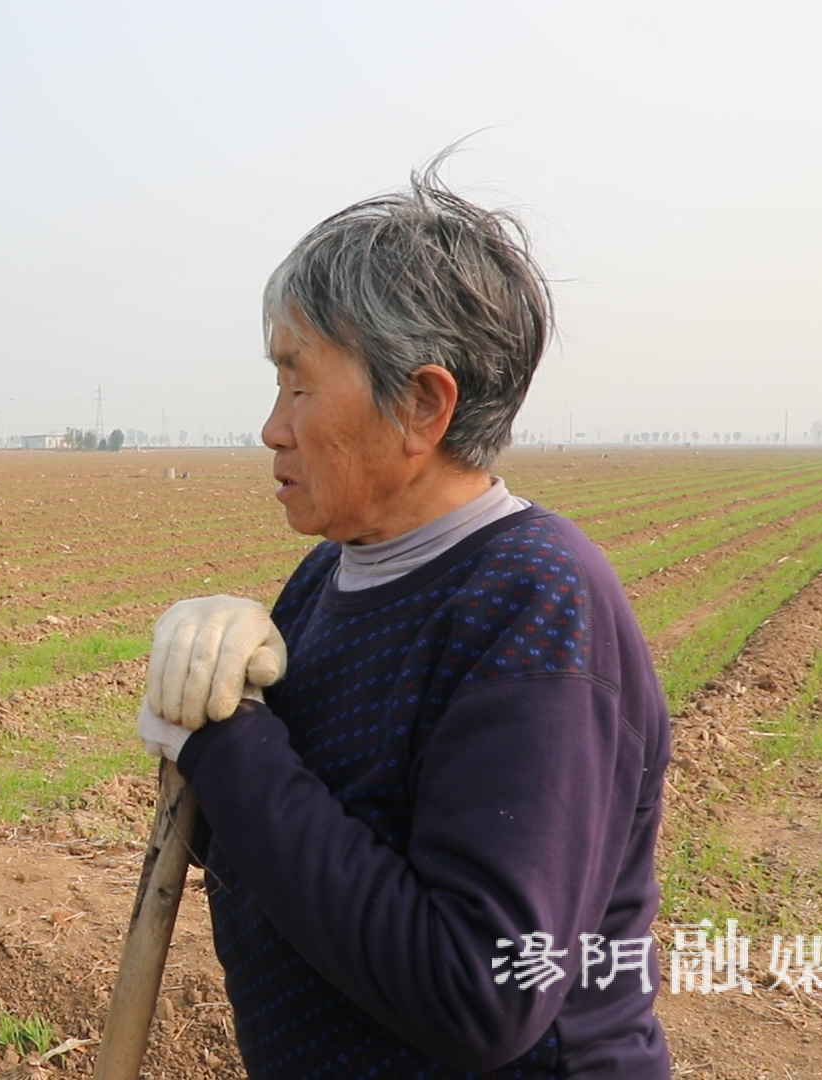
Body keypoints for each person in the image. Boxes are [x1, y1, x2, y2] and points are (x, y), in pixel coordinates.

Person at [137, 166, 670, 1078]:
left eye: (298, 385)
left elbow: (480, 991)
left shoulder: (534, 602)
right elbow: (286, 850)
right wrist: (225, 682)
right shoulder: (328, 576)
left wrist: (226, 743)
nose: (272, 428)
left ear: (422, 405)